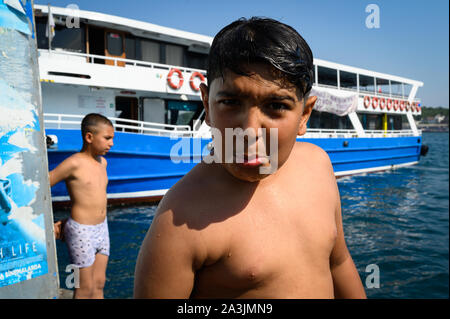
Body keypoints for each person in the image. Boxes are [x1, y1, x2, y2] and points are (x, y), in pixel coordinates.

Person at [134, 17, 366, 299]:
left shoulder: (318, 166)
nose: (249, 131)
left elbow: (338, 262)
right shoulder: (180, 217)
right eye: (230, 103)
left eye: (276, 106)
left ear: (305, 114)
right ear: (207, 105)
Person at [50, 113, 114, 299]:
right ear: (89, 137)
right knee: (84, 288)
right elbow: (45, 183)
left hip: (102, 228)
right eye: (107, 138)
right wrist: (49, 223)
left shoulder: (103, 162)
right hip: (81, 231)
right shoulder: (74, 163)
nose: (111, 144)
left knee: (99, 283)